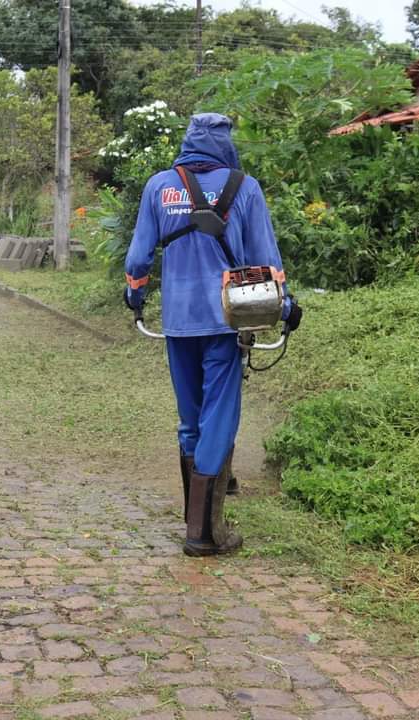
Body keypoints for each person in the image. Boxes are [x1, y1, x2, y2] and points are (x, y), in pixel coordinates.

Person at [123, 113, 297, 557]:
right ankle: (204, 532)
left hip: (178, 320)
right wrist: (288, 305)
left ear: (188, 141)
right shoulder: (245, 187)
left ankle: (194, 516)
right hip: (227, 318)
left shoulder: (159, 186)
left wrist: (136, 296)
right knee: (219, 414)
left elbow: (139, 258)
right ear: (225, 144)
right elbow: (266, 258)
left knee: (189, 416)